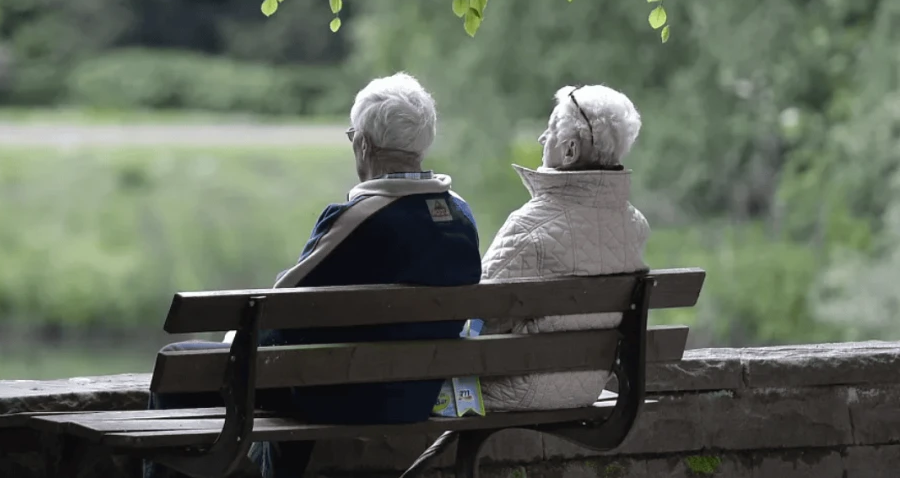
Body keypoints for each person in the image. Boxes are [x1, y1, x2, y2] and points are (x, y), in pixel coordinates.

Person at [145, 73, 482, 478]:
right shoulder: (461, 219)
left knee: (184, 362)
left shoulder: (358, 219)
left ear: (362, 144)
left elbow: (279, 304)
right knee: (301, 361)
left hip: (341, 395)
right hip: (414, 397)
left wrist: (234, 342)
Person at [479, 84, 649, 412]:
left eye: (550, 130)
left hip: (518, 386)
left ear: (569, 150)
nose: (542, 138)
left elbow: (479, 317)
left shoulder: (530, 226)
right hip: (587, 388)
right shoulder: (635, 225)